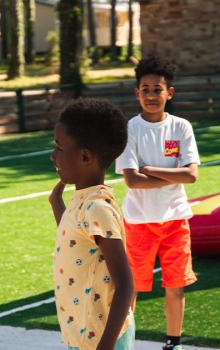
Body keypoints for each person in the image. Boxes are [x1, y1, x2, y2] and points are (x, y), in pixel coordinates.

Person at [115, 56, 200, 350]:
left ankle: (172, 343)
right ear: (137, 93)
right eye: (146, 89)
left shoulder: (182, 127)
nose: (152, 95)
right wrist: (172, 175)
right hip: (138, 222)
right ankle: (125, 343)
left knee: (175, 286)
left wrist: (149, 168)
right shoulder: (130, 129)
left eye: (157, 89)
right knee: (131, 289)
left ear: (170, 93)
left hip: (176, 220)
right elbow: (132, 180)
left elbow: (191, 175)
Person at [50, 99, 134, 350]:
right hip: (81, 334)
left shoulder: (97, 206)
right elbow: (76, 242)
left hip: (101, 339)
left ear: (85, 156)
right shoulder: (83, 199)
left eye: (59, 147)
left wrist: (105, 346)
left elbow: (126, 284)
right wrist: (56, 203)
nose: (53, 155)